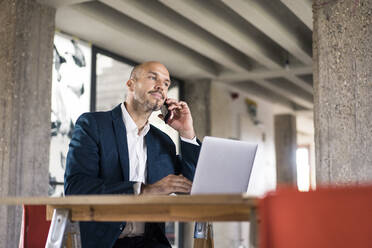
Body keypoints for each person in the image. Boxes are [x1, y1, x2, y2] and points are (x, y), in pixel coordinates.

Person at [64, 61, 201, 248]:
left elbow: (193, 186)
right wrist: (144, 190)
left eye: (167, 83)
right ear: (130, 84)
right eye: (153, 77)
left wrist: (187, 133)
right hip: (106, 242)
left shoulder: (163, 141)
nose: (161, 86)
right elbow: (76, 187)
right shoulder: (93, 125)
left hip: (151, 243)